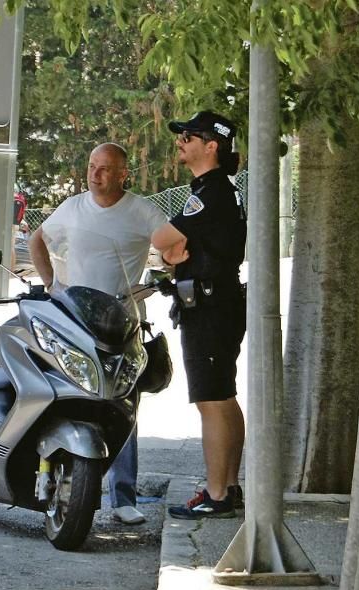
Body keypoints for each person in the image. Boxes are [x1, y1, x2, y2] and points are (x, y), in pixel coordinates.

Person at [29, 142, 167, 525]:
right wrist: (50, 284)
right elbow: (37, 239)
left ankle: (124, 496)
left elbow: (170, 245)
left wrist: (166, 271)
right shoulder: (72, 207)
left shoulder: (141, 211)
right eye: (92, 166)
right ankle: (51, 475)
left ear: (124, 174)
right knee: (60, 395)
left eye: (105, 168)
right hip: (73, 318)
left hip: (121, 324)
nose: (95, 174)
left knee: (122, 404)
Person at [151, 111, 247, 520]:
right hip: (218, 302)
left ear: (212, 146)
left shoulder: (210, 193)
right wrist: (173, 254)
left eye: (190, 136)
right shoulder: (220, 191)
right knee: (223, 397)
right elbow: (172, 250)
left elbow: (161, 240)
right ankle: (227, 486)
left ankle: (217, 492)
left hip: (208, 306)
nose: (181, 141)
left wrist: (171, 252)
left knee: (211, 401)